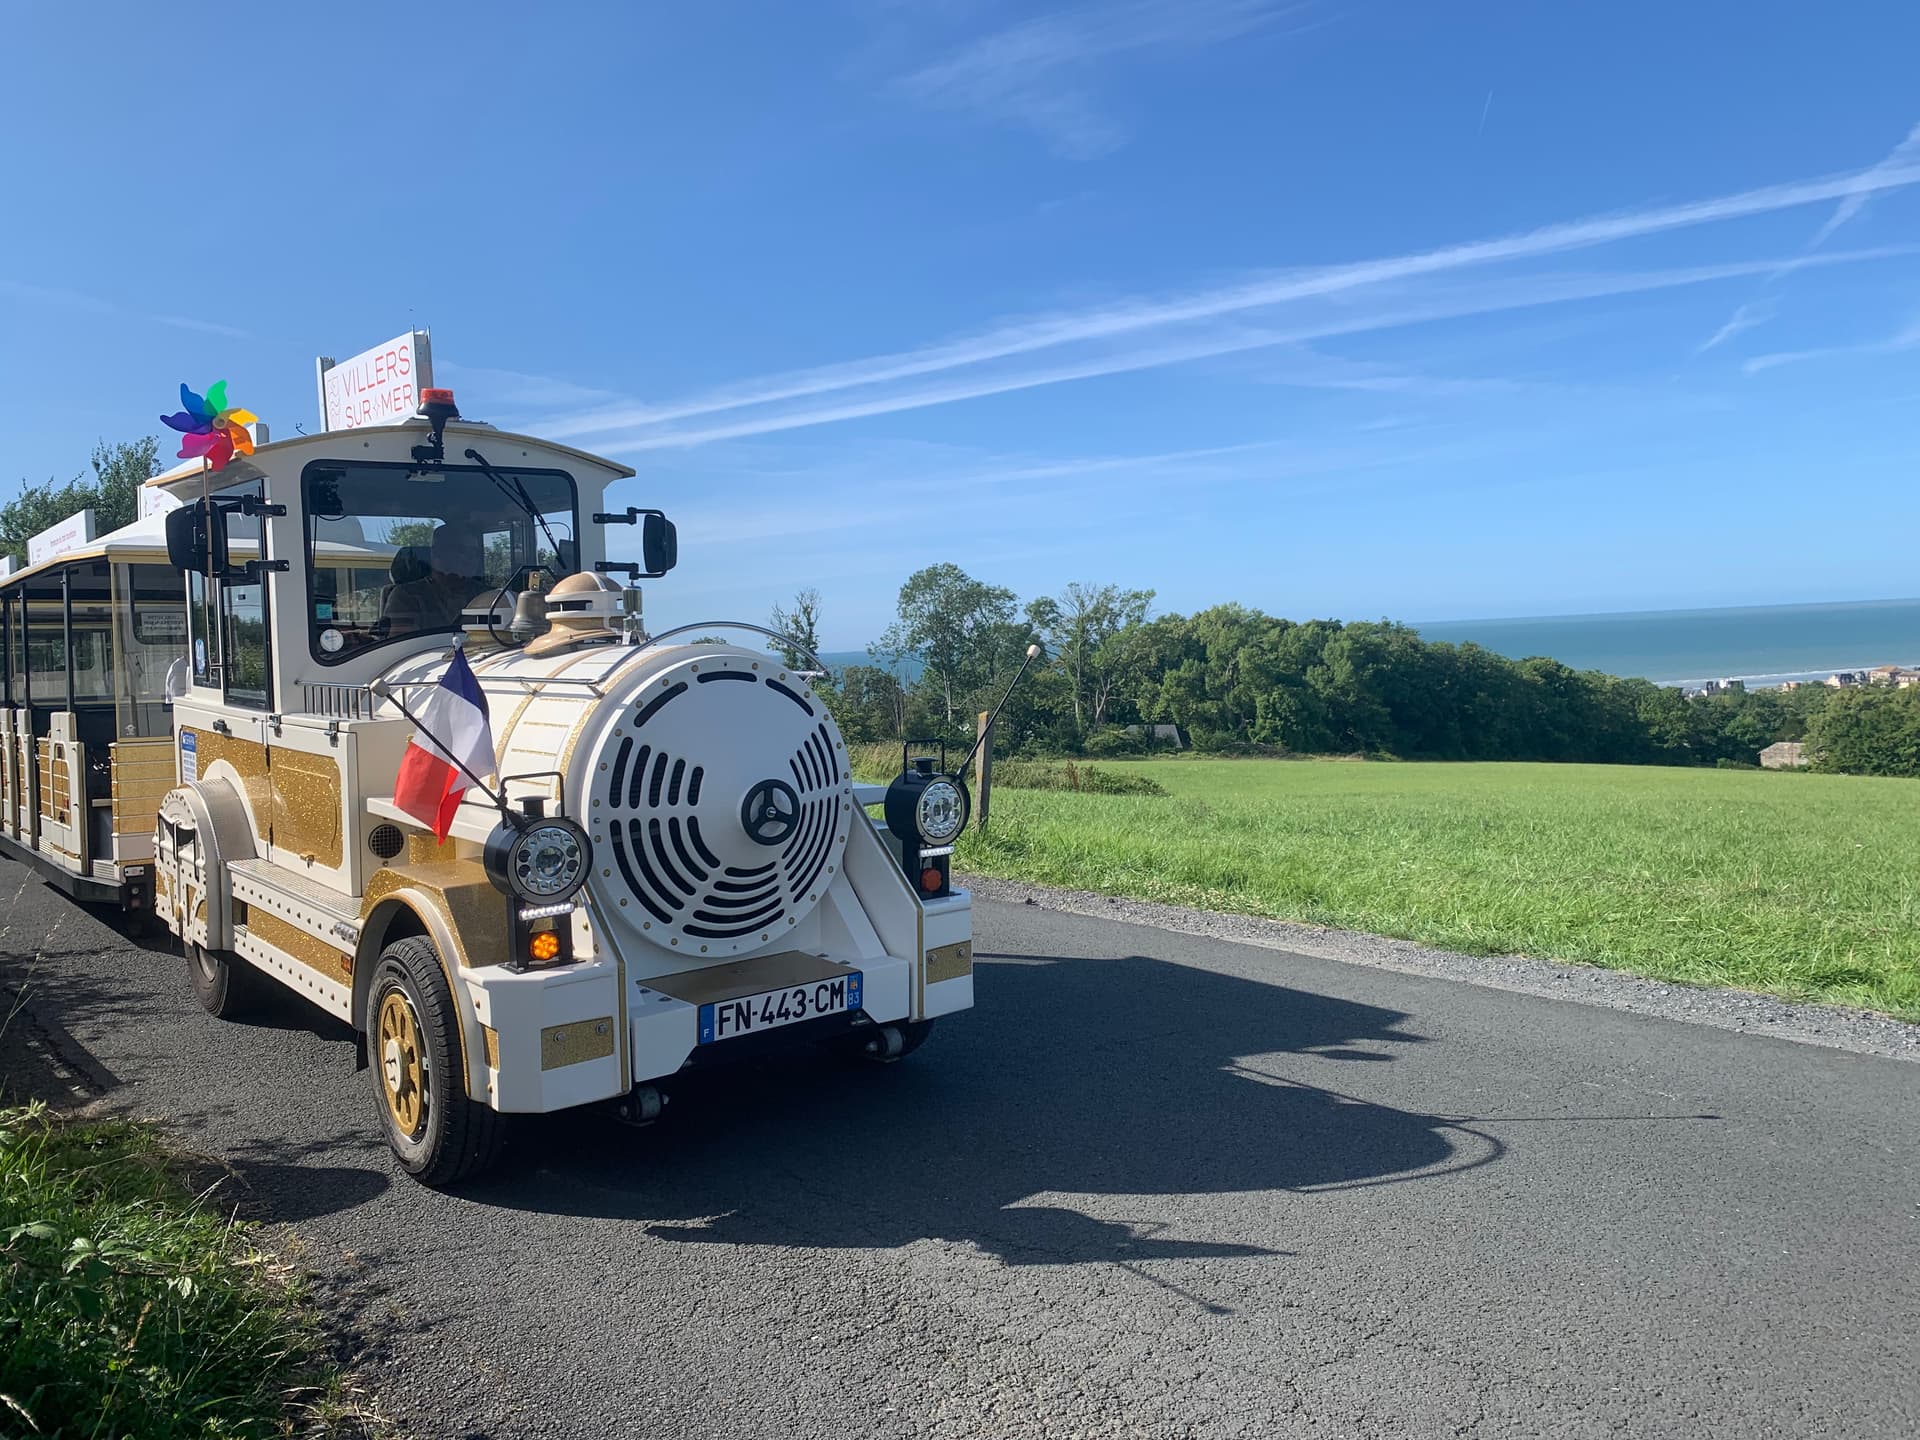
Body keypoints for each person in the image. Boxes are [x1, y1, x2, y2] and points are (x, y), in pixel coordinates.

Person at [380, 523, 488, 635]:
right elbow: (402, 646)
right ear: (437, 554)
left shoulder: (491, 596)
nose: (470, 558)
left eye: (474, 552)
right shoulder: (407, 596)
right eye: (462, 550)